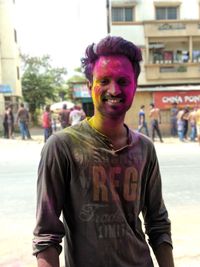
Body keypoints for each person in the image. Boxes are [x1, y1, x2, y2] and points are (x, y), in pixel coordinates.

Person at [33, 36, 174, 267]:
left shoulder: (145, 148)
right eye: (104, 80)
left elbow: (158, 223)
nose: (114, 89)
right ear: (90, 87)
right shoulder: (62, 147)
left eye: (123, 81)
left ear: (135, 86)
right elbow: (46, 236)